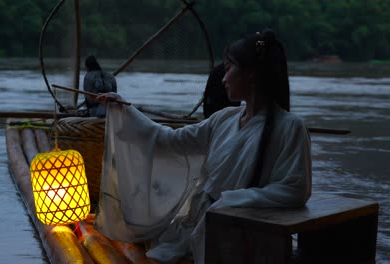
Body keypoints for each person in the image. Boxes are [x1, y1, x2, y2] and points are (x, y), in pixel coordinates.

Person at [93, 29, 312, 264]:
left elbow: (295, 190)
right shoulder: (224, 118)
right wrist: (126, 111)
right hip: (201, 225)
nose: (223, 78)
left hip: (243, 237)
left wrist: (232, 199)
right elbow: (171, 141)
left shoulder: (290, 127)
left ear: (251, 74)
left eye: (229, 69)